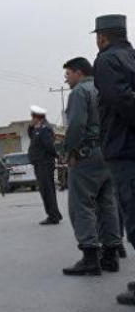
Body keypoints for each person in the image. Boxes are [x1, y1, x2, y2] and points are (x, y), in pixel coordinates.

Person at [60, 57, 121, 276]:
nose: (66, 80)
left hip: (87, 154)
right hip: (109, 151)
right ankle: (111, 255)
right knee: (107, 204)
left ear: (79, 72)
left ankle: (90, 258)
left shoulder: (79, 92)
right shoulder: (103, 89)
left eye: (68, 74)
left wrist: (69, 151)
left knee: (81, 204)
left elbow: (76, 125)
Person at [92, 14, 135, 304]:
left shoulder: (107, 60)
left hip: (124, 149)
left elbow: (121, 101)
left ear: (102, 37)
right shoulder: (131, 56)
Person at [28, 105, 63, 225]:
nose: (32, 119)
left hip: (44, 163)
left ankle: (53, 216)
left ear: (38, 117)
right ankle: (55, 213)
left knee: (47, 191)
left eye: (33, 117)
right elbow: (31, 136)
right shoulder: (38, 128)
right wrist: (30, 126)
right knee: (46, 190)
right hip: (40, 163)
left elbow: (49, 146)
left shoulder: (45, 129)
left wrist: (57, 156)